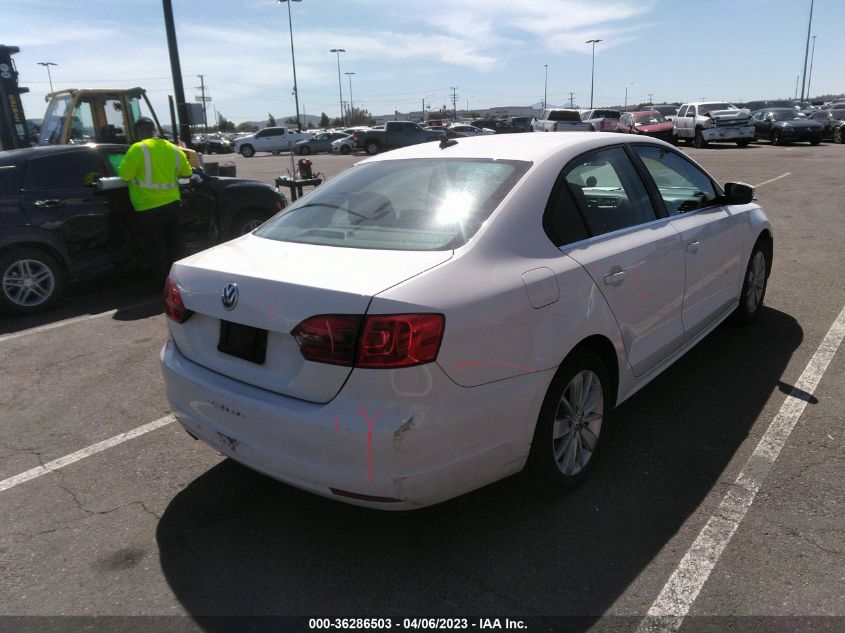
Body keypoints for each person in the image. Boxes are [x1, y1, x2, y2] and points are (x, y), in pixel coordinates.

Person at [118, 117, 192, 279]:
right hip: (172, 204)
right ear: (154, 130)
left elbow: (125, 175)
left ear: (139, 132)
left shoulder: (137, 149)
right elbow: (187, 173)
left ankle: (160, 283)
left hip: (147, 207)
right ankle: (181, 278)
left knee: (156, 247)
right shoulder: (173, 149)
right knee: (175, 243)